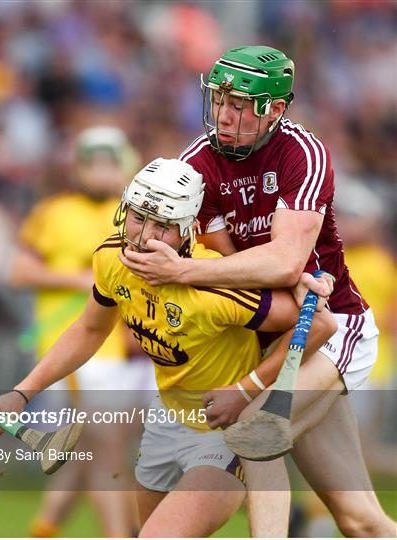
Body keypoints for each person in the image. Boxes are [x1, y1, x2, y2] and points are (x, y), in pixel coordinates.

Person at [119, 46, 396, 536]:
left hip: (332, 329)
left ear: (276, 110)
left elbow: (284, 260)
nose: (224, 115)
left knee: (252, 430)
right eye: (220, 100)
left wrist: (184, 274)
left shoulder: (303, 153)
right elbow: (230, 266)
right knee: (360, 523)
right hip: (273, 332)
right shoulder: (196, 163)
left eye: (239, 105)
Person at [0, 158, 337, 538]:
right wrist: (22, 393)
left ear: (189, 230)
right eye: (138, 218)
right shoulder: (111, 258)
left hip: (222, 433)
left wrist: (245, 388)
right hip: (165, 422)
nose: (144, 237)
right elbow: (88, 329)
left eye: (163, 226)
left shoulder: (215, 284)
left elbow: (319, 324)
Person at [10, 125, 152, 538]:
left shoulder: (132, 216)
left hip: (127, 352)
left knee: (93, 451)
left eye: (111, 163)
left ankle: (43, 530)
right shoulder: (53, 212)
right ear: (79, 166)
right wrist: (81, 280)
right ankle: (123, 534)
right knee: (105, 447)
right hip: (76, 353)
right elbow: (20, 271)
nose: (103, 172)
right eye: (95, 163)